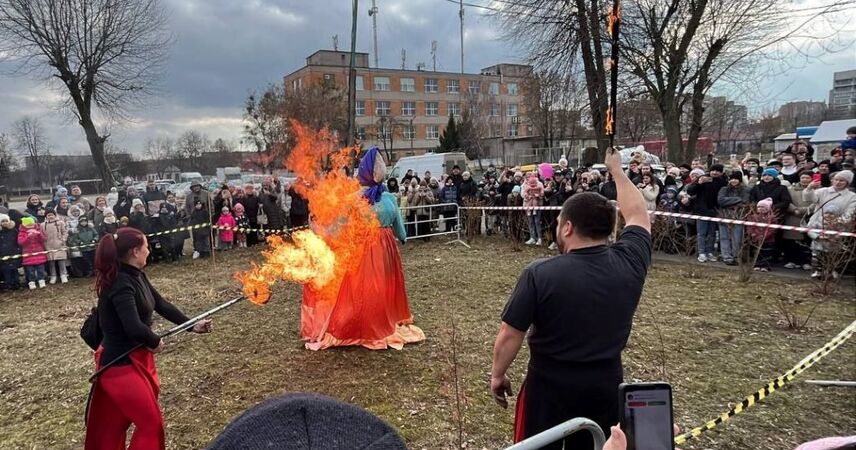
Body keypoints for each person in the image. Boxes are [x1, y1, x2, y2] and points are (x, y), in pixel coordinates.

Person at [491, 148, 651, 449]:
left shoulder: (539, 273)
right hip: (606, 387)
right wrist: (616, 170)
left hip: (547, 390)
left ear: (567, 227)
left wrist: (497, 375)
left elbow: (510, 334)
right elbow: (639, 214)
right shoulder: (631, 262)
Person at [84, 227, 212, 450]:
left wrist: (192, 325)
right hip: (119, 365)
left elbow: (161, 305)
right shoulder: (120, 283)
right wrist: (154, 340)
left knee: (115, 425)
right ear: (135, 251)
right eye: (146, 246)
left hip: (137, 358)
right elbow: (133, 326)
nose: (149, 251)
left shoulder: (137, 275)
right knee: (149, 424)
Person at [302, 147, 425, 351]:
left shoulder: (354, 200)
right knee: (383, 285)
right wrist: (402, 239)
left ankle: (362, 323)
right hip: (386, 249)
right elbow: (400, 230)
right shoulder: (389, 198)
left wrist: (319, 230)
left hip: (363, 248)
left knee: (361, 287)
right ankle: (381, 321)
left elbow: (338, 228)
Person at [716, 170, 751, 265]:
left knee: (737, 238)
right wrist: (737, 200)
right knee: (724, 237)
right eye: (732, 179)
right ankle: (726, 256)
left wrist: (729, 202)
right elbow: (721, 201)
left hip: (738, 216)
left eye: (736, 179)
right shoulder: (724, 189)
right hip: (724, 215)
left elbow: (745, 202)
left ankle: (736, 256)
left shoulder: (746, 190)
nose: (734, 181)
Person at [782, 171, 814, 270]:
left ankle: (805, 261)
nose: (805, 180)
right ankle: (791, 260)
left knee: (806, 241)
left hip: (810, 217)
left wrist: (805, 211)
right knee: (791, 241)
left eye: (807, 178)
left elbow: (817, 203)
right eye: (803, 178)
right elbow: (787, 201)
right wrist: (794, 210)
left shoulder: (818, 190)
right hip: (793, 216)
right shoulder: (791, 189)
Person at [18, 216, 48, 289]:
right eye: (28, 225)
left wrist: (39, 234)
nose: (31, 226)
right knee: (30, 271)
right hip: (28, 255)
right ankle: (31, 282)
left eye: (32, 224)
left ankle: (41, 281)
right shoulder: (22, 233)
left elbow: (43, 239)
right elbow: (21, 242)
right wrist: (28, 237)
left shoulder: (38, 230)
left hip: (39, 253)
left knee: (41, 269)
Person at [747, 198, 777, 272]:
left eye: (763, 207)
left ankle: (765, 266)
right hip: (756, 239)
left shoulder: (772, 218)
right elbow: (750, 227)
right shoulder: (753, 217)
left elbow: (772, 229)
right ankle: (757, 264)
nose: (760, 209)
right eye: (759, 207)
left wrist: (764, 236)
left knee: (766, 253)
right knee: (757, 253)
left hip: (768, 240)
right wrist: (754, 234)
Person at [43, 208, 69, 284]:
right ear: (46, 216)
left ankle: (63, 274)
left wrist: (63, 240)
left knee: (61, 261)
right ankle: (53, 276)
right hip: (48, 246)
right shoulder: (43, 225)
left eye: (52, 215)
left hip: (59, 244)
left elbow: (65, 232)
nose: (50, 216)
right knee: (51, 263)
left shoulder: (60, 223)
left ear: (55, 215)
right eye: (48, 215)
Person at [0, 213, 21, 291]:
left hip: (13, 252)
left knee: (14, 270)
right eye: (3, 221)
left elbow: (17, 240)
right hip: (3, 254)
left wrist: (18, 250)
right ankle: (9, 284)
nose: (5, 223)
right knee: (6, 270)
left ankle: (16, 283)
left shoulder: (14, 230)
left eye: (6, 221)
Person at [522, 173, 544, 246]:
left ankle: (539, 238)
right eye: (527, 176)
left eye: (529, 176)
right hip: (528, 205)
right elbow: (522, 194)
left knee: (537, 222)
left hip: (537, 205)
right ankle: (532, 238)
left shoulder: (539, 184)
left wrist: (537, 196)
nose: (528, 178)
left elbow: (542, 194)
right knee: (530, 222)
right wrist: (528, 196)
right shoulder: (524, 184)